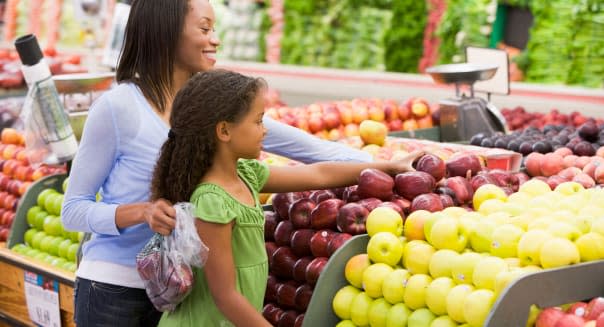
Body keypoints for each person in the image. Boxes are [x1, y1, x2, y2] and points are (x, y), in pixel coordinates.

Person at [61, 0, 373, 326]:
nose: (216, 40)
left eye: (215, 29)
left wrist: (392, 166)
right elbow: (73, 210)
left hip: (184, 297)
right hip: (116, 293)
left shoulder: (210, 106)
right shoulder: (117, 108)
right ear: (167, 33)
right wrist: (141, 212)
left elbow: (316, 154)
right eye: (204, 28)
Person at [151, 69, 422, 327]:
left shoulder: (246, 174)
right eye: (257, 121)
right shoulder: (212, 201)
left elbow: (319, 174)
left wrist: (390, 167)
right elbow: (226, 297)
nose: (265, 130)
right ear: (224, 131)